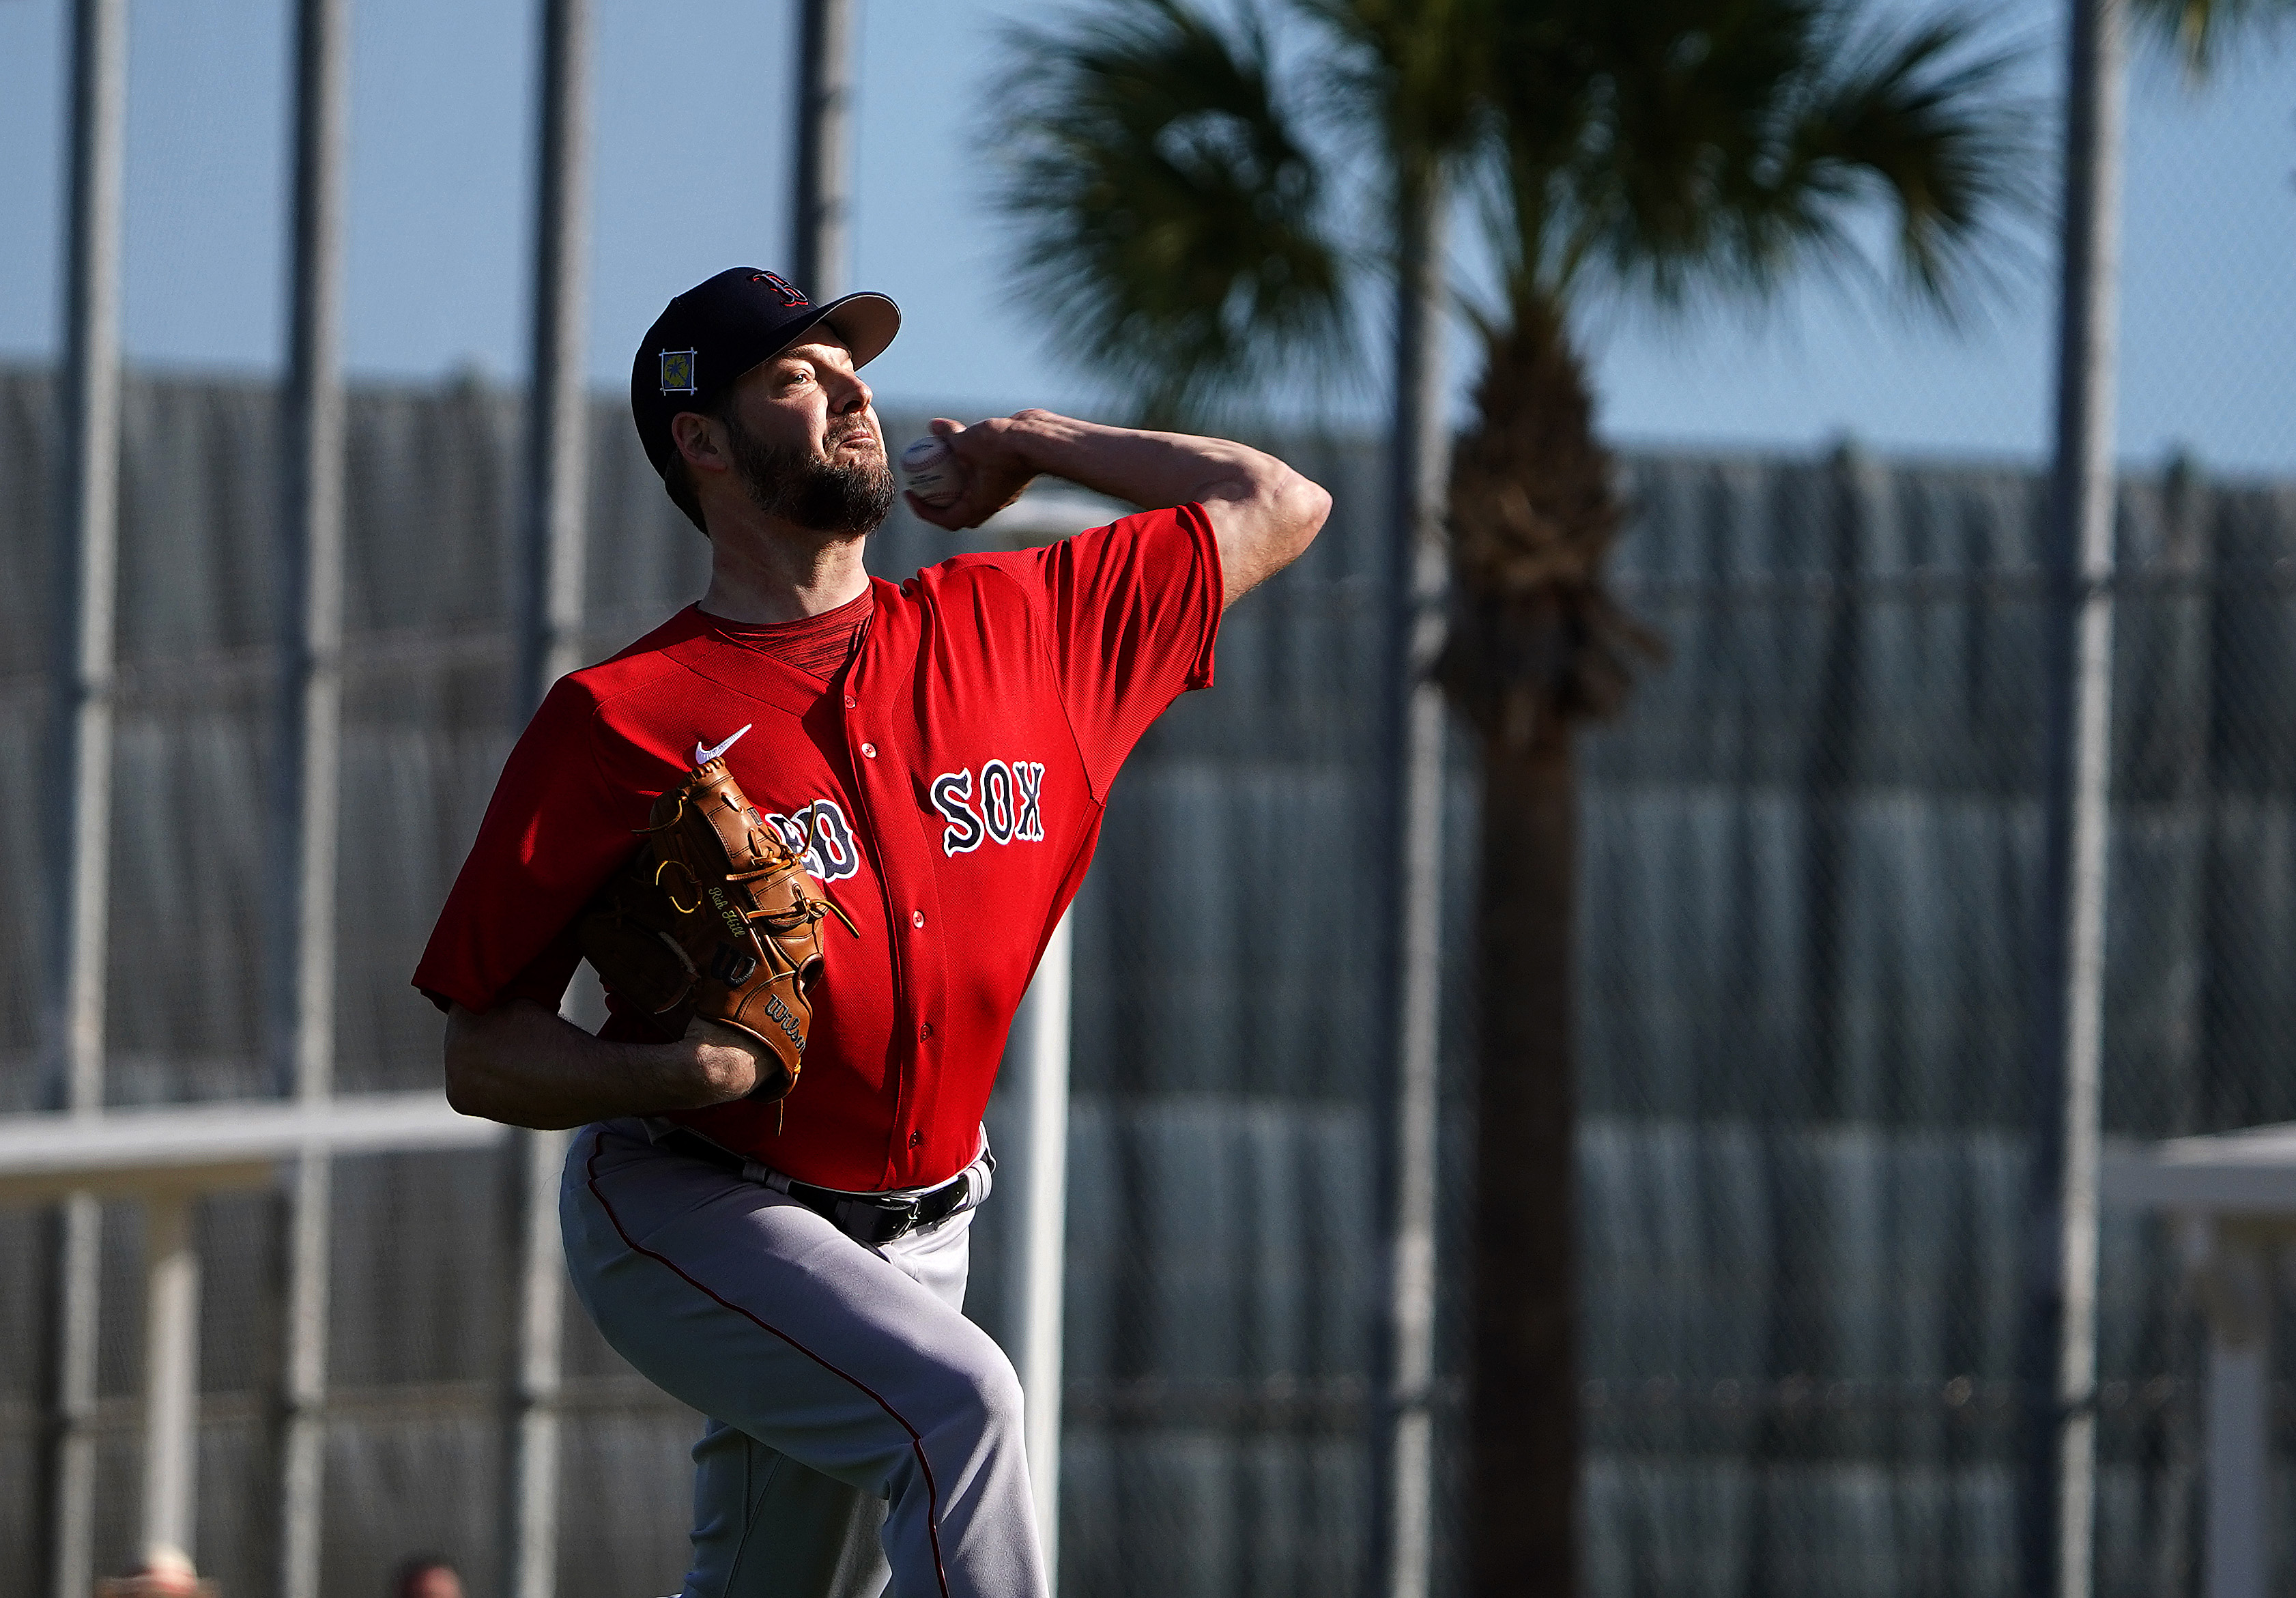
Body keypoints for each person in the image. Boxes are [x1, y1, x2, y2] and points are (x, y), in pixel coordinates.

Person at [413, 266, 1330, 1598]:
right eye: (797, 371)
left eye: (852, 364)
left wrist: (1028, 439)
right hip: (695, 1198)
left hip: (919, 1228)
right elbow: (479, 1052)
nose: (849, 384)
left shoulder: (1024, 628)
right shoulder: (621, 718)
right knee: (961, 1411)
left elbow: (1276, 502)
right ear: (703, 444)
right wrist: (668, 1074)